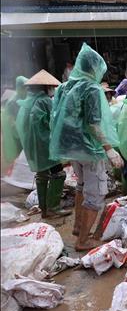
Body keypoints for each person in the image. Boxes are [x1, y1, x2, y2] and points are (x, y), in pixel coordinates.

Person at [50, 43, 123, 251]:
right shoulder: (91, 88)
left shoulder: (65, 86)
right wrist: (108, 148)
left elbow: (57, 118)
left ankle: (77, 227)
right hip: (89, 149)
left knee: (81, 186)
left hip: (72, 147)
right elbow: (93, 123)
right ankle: (83, 240)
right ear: (94, 69)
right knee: (96, 193)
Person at [16, 70, 71, 218]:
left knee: (41, 174)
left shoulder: (27, 102)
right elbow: (54, 122)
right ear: (45, 87)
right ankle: (53, 207)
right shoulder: (44, 100)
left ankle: (44, 209)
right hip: (46, 143)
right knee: (58, 173)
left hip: (32, 145)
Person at [1, 75, 27, 169]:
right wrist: (18, 129)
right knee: (19, 151)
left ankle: (21, 170)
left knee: (24, 152)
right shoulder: (13, 101)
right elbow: (12, 119)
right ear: (19, 87)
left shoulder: (22, 97)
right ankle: (17, 171)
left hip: (22, 129)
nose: (26, 90)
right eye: (24, 87)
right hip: (15, 130)